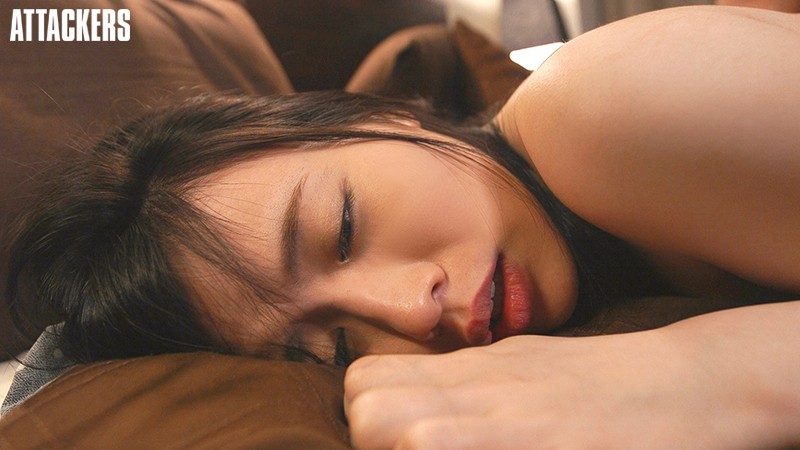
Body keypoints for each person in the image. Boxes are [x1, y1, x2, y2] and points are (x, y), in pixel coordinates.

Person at [5, 5, 799, 448]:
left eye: (344, 228)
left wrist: (703, 376)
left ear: (388, 117)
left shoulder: (599, 111)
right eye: (334, 346)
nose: (411, 311)